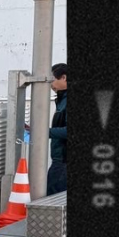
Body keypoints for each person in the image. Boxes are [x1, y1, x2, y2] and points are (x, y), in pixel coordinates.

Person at [47, 63, 67, 196]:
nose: (50, 85)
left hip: (63, 160)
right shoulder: (61, 99)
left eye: (52, 80)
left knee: (53, 197)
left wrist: (44, 132)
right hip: (60, 159)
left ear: (64, 78)